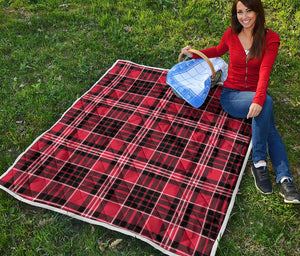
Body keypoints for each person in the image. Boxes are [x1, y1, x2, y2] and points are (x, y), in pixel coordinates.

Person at [181, 0, 300, 204]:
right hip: (232, 95)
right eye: (240, 12)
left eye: (249, 11)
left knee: (267, 116)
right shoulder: (231, 34)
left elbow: (265, 71)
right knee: (267, 107)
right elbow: (218, 50)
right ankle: (265, 166)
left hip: (254, 93)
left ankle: (281, 176)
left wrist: (258, 99)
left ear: (258, 11)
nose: (244, 16)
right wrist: (194, 55)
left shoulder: (271, 39)